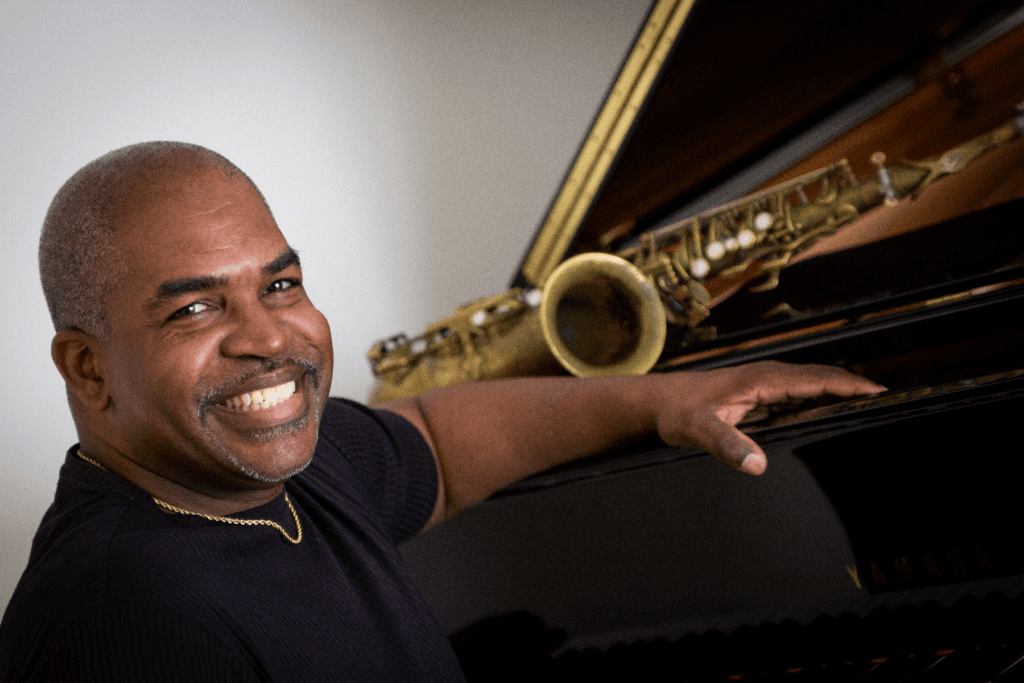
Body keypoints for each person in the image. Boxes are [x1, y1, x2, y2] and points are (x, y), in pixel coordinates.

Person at [0, 142, 884, 681]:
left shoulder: (280, 467)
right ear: (89, 367)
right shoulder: (125, 627)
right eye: (193, 309)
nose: (268, 337)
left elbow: (439, 441)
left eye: (281, 283)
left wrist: (664, 398)